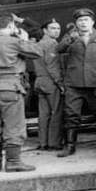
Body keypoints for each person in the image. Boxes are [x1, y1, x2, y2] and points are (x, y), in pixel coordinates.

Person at [0, 13, 43, 172]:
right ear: (10, 26)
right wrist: (25, 37)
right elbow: (37, 52)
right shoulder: (14, 41)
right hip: (10, 87)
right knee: (14, 126)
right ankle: (13, 162)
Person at [57, 8, 96, 157]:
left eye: (86, 20)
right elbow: (59, 49)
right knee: (71, 114)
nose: (83, 23)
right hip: (74, 82)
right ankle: (70, 146)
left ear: (92, 22)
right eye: (80, 20)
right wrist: (70, 38)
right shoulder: (70, 37)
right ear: (76, 23)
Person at [34, 19, 64, 150]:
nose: (57, 31)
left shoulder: (38, 43)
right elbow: (52, 66)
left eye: (58, 28)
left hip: (39, 81)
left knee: (43, 114)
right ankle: (54, 143)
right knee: (56, 112)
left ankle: (43, 142)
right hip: (51, 82)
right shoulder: (51, 44)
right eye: (53, 28)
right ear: (45, 30)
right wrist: (60, 83)